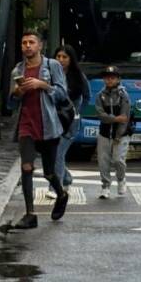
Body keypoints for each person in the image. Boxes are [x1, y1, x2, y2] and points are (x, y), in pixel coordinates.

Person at [8, 31, 70, 229]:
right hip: (26, 124)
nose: (27, 46)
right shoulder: (18, 70)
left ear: (40, 45)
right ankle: (30, 214)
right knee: (26, 167)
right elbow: (11, 102)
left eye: (31, 42)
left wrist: (42, 85)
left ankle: (61, 194)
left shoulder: (52, 66)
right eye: (24, 42)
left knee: (49, 173)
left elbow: (62, 93)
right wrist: (18, 91)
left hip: (48, 125)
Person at [52, 44, 90, 195]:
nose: (61, 60)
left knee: (59, 152)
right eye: (58, 57)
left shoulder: (79, 76)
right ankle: (66, 177)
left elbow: (87, 96)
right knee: (53, 153)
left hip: (71, 122)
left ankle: (56, 187)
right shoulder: (50, 74)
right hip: (54, 119)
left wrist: (77, 112)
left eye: (64, 57)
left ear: (71, 59)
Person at [95, 65, 131, 199]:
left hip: (120, 135)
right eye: (107, 77)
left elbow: (125, 118)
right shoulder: (100, 95)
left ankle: (121, 179)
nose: (109, 80)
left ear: (118, 79)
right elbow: (100, 115)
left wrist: (118, 136)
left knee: (118, 160)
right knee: (103, 161)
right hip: (104, 134)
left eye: (112, 77)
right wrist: (115, 118)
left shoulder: (123, 95)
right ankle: (105, 186)